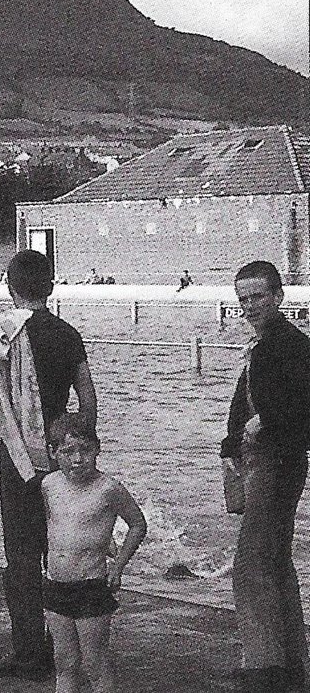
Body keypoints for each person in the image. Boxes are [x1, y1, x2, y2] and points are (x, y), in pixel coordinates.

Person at [0, 248, 98, 681]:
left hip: (17, 455)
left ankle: (30, 652)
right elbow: (88, 399)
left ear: (9, 288)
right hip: (60, 452)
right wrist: (80, 451)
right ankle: (71, 646)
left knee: (22, 554)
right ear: (50, 285)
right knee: (61, 549)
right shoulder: (67, 334)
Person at [221, 260, 310, 693]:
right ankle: (291, 663)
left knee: (250, 566)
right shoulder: (267, 344)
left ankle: (263, 668)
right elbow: (246, 403)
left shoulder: (290, 346)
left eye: (257, 296)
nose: (250, 305)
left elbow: (301, 410)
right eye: (243, 299)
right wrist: (230, 447)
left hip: (277, 463)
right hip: (266, 462)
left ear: (278, 296)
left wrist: (265, 422)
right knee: (274, 561)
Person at [41, 413, 146, 693]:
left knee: (94, 662)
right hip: (55, 584)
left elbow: (138, 524)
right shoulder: (49, 485)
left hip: (91, 586)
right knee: (65, 662)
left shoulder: (108, 489)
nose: (78, 459)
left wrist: (118, 566)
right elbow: (60, 524)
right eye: (68, 452)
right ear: (53, 452)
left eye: (85, 450)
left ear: (97, 449)